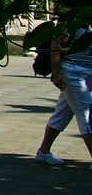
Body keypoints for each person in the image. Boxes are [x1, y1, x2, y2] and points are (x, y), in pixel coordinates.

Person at [36, 24, 92, 165]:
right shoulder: (73, 22)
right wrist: (56, 74)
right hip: (73, 72)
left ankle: (44, 151)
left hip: (87, 73)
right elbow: (56, 45)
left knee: (63, 113)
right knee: (86, 114)